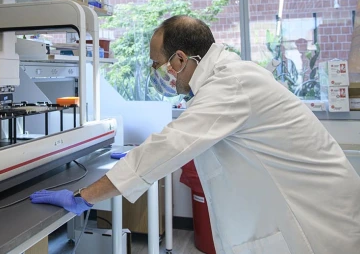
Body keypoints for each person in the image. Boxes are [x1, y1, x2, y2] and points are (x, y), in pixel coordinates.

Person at [31, 15, 360, 253]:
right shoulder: (224, 81)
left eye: (157, 65)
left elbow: (169, 146)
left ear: (179, 59)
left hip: (317, 224)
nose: (158, 75)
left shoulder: (231, 84)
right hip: (299, 210)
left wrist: (82, 198)